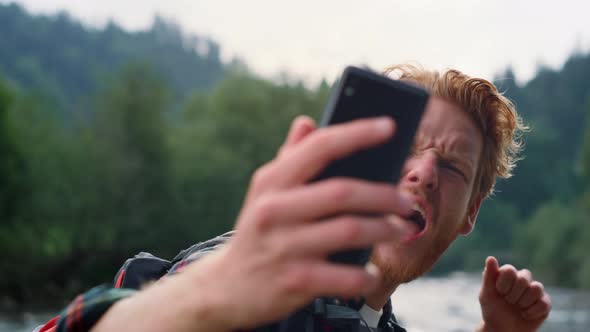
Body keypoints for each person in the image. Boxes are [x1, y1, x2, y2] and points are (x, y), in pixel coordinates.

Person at [36, 64, 551, 332]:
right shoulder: (251, 283)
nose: (424, 174)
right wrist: (209, 293)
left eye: (452, 166)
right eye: (408, 149)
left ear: (471, 214)